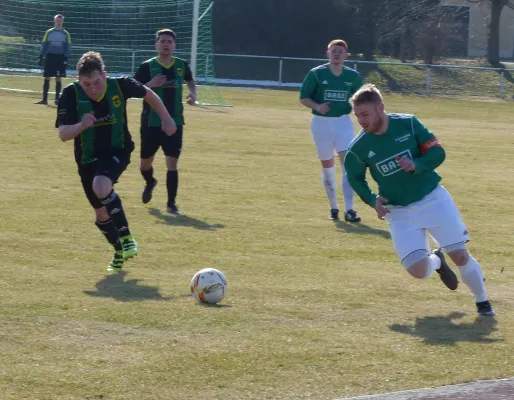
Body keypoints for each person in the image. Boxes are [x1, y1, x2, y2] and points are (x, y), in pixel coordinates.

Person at [344, 84, 495, 317]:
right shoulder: (358, 147)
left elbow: (438, 152)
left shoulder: (409, 123)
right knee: (417, 270)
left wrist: (418, 165)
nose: (361, 121)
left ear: (380, 108)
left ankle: (483, 303)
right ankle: (436, 261)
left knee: (460, 255)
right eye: (357, 116)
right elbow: (354, 177)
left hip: (433, 199)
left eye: (365, 114)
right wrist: (372, 199)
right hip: (399, 211)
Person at [56, 51, 177, 272]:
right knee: (101, 214)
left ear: (105, 74)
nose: (93, 88)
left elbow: (149, 94)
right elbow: (63, 134)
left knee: (101, 185)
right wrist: (81, 125)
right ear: (78, 80)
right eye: (86, 84)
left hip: (117, 148)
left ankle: (127, 237)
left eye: (96, 82)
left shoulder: (120, 85)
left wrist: (167, 119)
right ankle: (119, 250)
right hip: (87, 158)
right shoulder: (70, 94)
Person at [133, 28, 197, 215]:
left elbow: (190, 81)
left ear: (174, 45)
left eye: (169, 41)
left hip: (175, 122)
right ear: (156, 45)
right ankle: (150, 181)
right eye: (162, 41)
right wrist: (150, 84)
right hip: (151, 122)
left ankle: (171, 204)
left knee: (172, 162)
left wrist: (192, 93)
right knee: (145, 164)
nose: (166, 45)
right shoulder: (147, 66)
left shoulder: (181, 65)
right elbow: (133, 89)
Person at [299, 39, 363, 222]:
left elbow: (361, 99)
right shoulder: (317, 74)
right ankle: (333, 207)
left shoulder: (353, 76)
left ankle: (350, 210)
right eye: (333, 51)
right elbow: (304, 97)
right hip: (321, 124)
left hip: (343, 123)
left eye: (340, 52)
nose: (337, 54)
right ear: (327, 53)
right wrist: (318, 106)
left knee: (348, 165)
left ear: (346, 55)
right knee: (328, 167)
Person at [35, 14, 71, 105]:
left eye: (60, 21)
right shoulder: (49, 32)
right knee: (47, 77)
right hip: (50, 57)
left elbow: (68, 46)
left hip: (60, 58)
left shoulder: (66, 33)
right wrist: (40, 56)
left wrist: (66, 58)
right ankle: (44, 100)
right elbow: (44, 44)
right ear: (54, 21)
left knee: (58, 78)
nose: (58, 22)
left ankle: (57, 100)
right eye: (57, 21)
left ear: (63, 22)